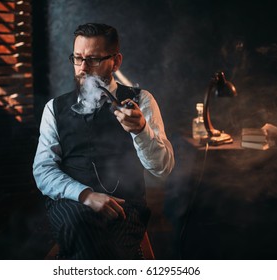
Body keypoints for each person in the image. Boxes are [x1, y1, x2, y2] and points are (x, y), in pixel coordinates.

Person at [33, 23, 174, 259]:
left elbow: (163, 169)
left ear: (116, 62)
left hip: (125, 207)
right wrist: (86, 195)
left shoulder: (142, 101)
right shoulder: (54, 108)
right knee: (81, 226)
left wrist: (141, 130)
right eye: (78, 58)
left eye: (94, 60)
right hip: (71, 204)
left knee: (94, 244)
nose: (83, 68)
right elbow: (43, 170)